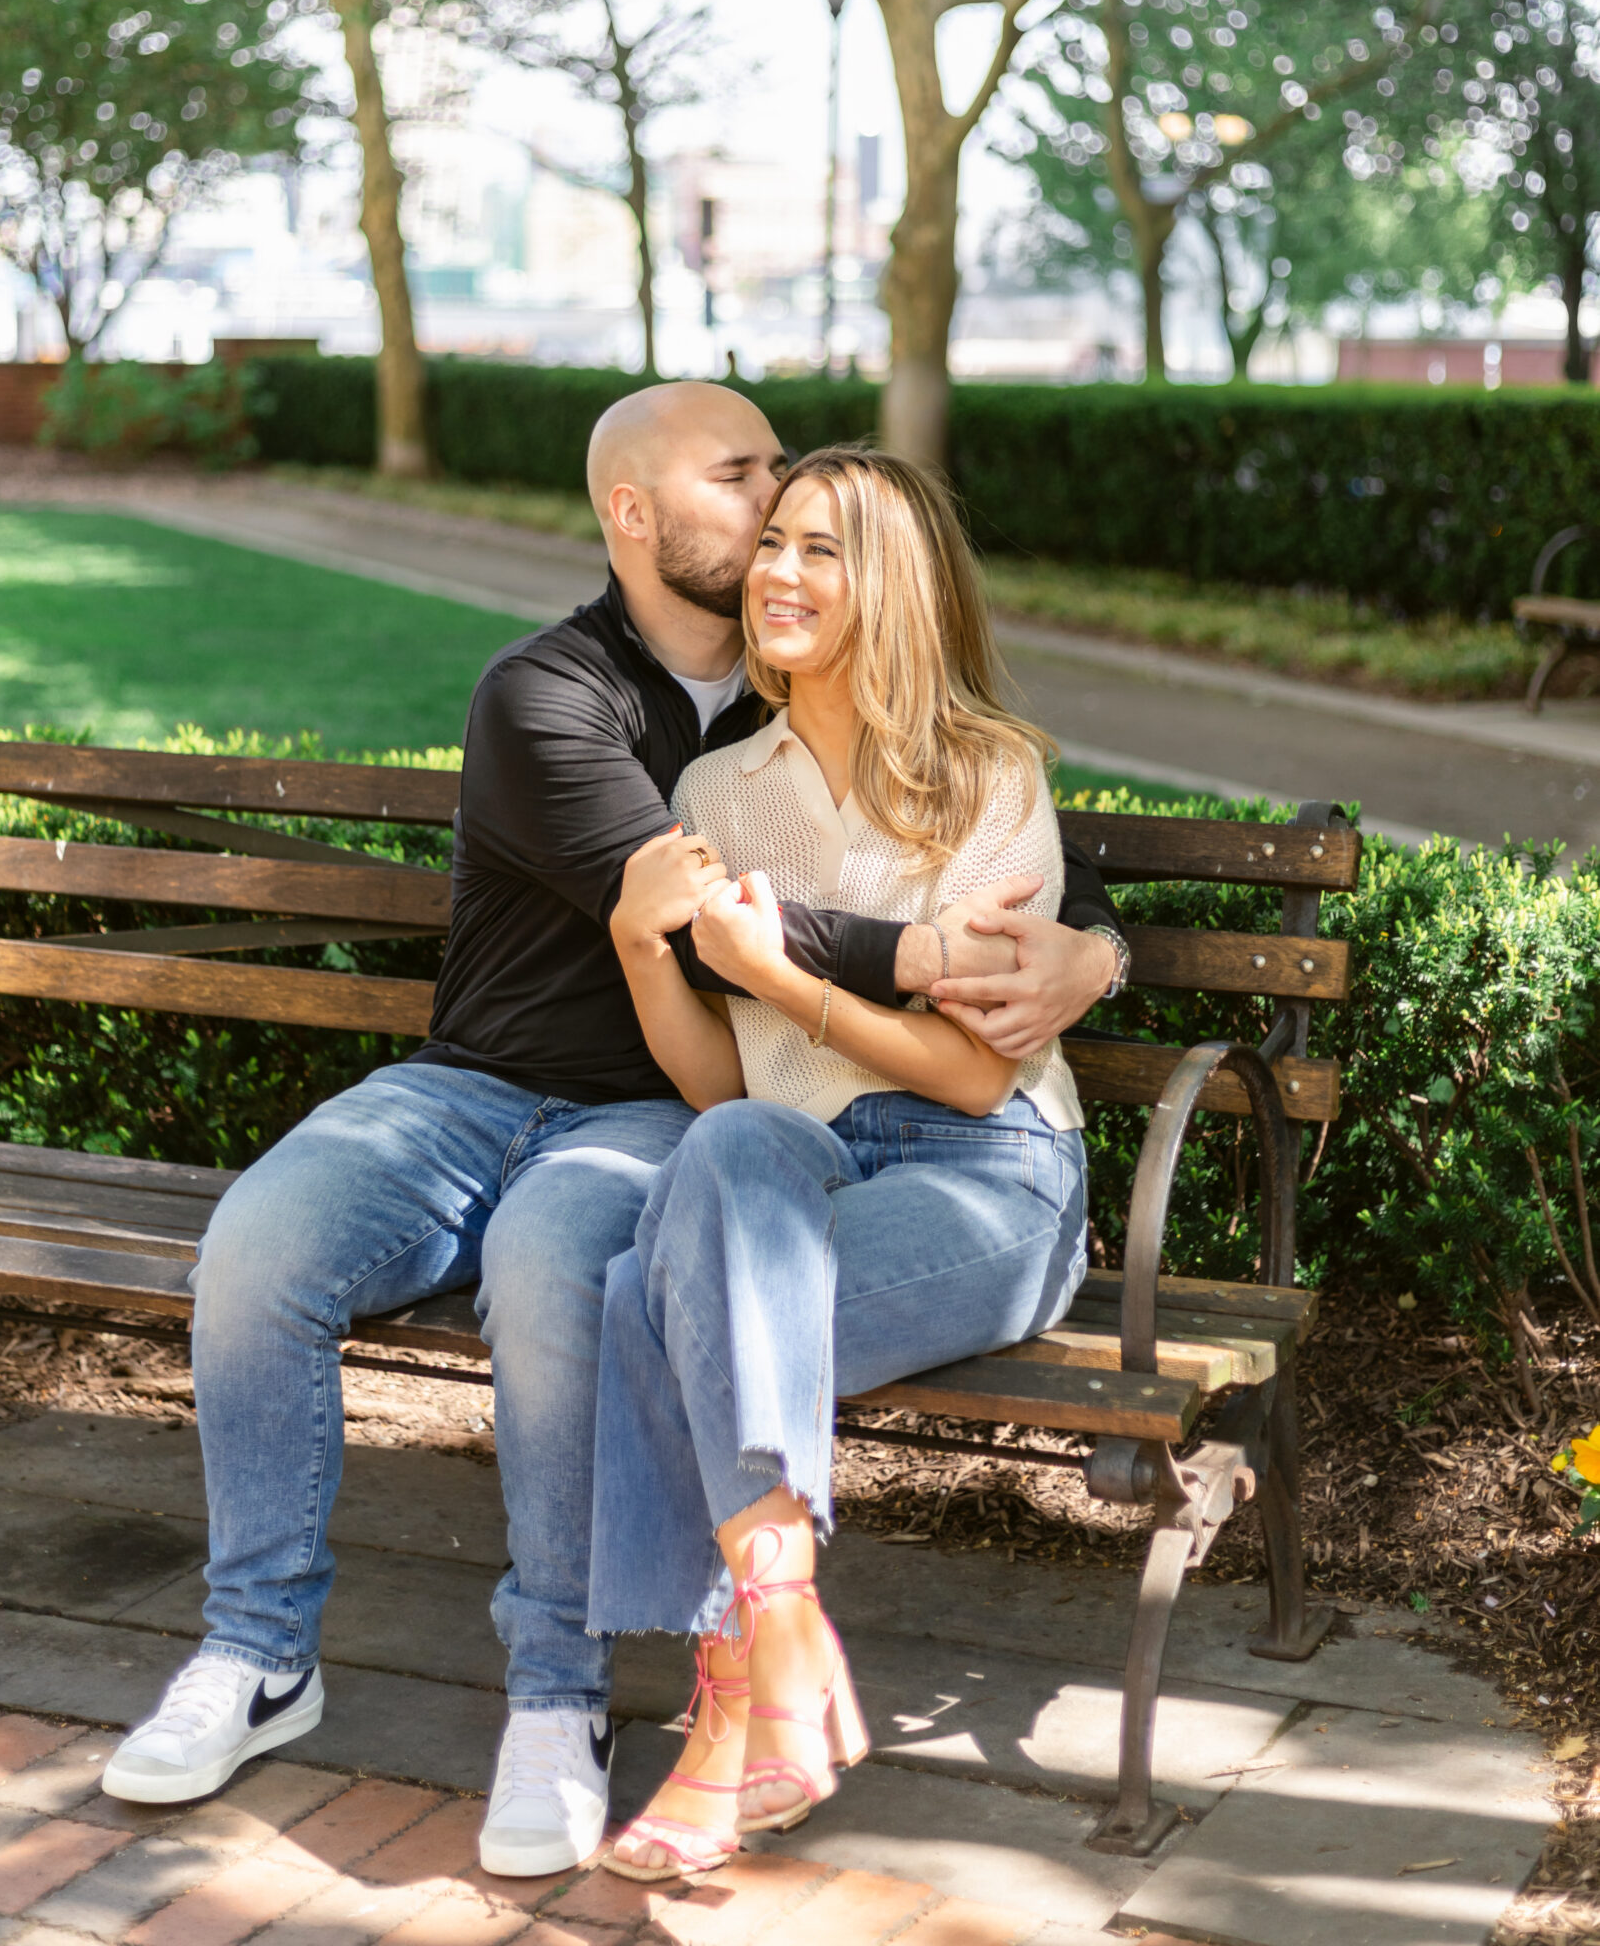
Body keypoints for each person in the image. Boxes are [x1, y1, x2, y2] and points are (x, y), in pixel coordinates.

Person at [99, 386, 1123, 1878]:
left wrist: (1091, 950)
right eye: (751, 492)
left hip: (701, 1126)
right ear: (635, 516)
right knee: (261, 1244)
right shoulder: (573, 706)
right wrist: (842, 959)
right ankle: (259, 1652)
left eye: (804, 520)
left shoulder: (903, 743)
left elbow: (993, 892)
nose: (776, 529)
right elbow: (716, 938)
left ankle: (574, 1697)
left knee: (589, 1276)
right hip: (500, 1092)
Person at [589, 448, 1091, 1881]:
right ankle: (780, 1625)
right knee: (733, 1140)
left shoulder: (988, 779)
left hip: (989, 1177)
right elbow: (722, 1083)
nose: (781, 574)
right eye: (774, 545)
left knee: (646, 1297)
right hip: (798, 1165)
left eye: (825, 550)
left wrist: (785, 976)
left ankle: (726, 1713)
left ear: (897, 588)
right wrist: (644, 945)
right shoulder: (714, 789)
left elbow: (978, 1068)